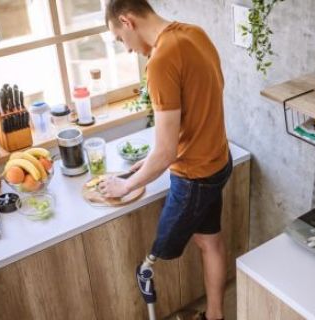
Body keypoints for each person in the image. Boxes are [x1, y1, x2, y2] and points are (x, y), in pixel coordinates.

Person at [100, 1, 231, 319]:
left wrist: (125, 185)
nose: (128, 50)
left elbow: (166, 153)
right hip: (218, 162)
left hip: (193, 178)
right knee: (209, 242)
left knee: (148, 266)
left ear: (127, 21)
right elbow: (201, 107)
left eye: (120, 40)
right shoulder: (194, 34)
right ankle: (215, 316)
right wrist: (148, 159)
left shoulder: (160, 61)